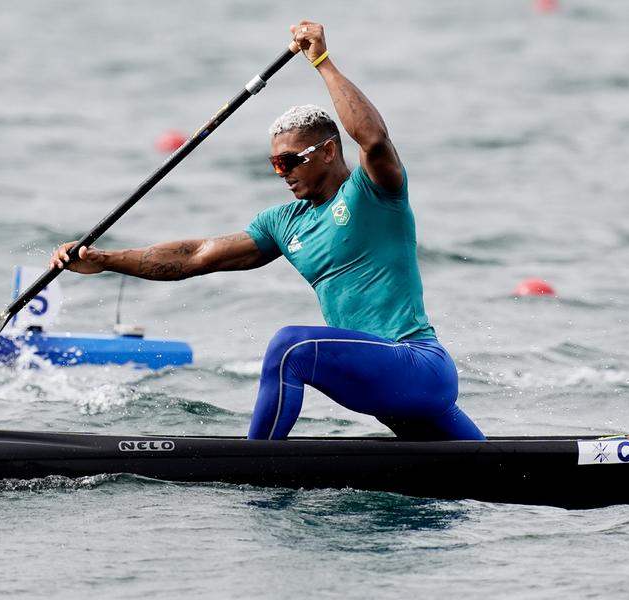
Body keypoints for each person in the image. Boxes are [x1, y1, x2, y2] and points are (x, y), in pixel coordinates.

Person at [51, 20, 485, 441]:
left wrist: (323, 63)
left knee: (289, 348)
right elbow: (195, 256)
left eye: (290, 160)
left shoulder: (373, 191)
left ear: (329, 151)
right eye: (275, 163)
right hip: (382, 388)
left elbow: (373, 139)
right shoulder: (284, 223)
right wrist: (105, 261)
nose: (282, 172)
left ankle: (255, 463)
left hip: (416, 366)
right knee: (488, 475)